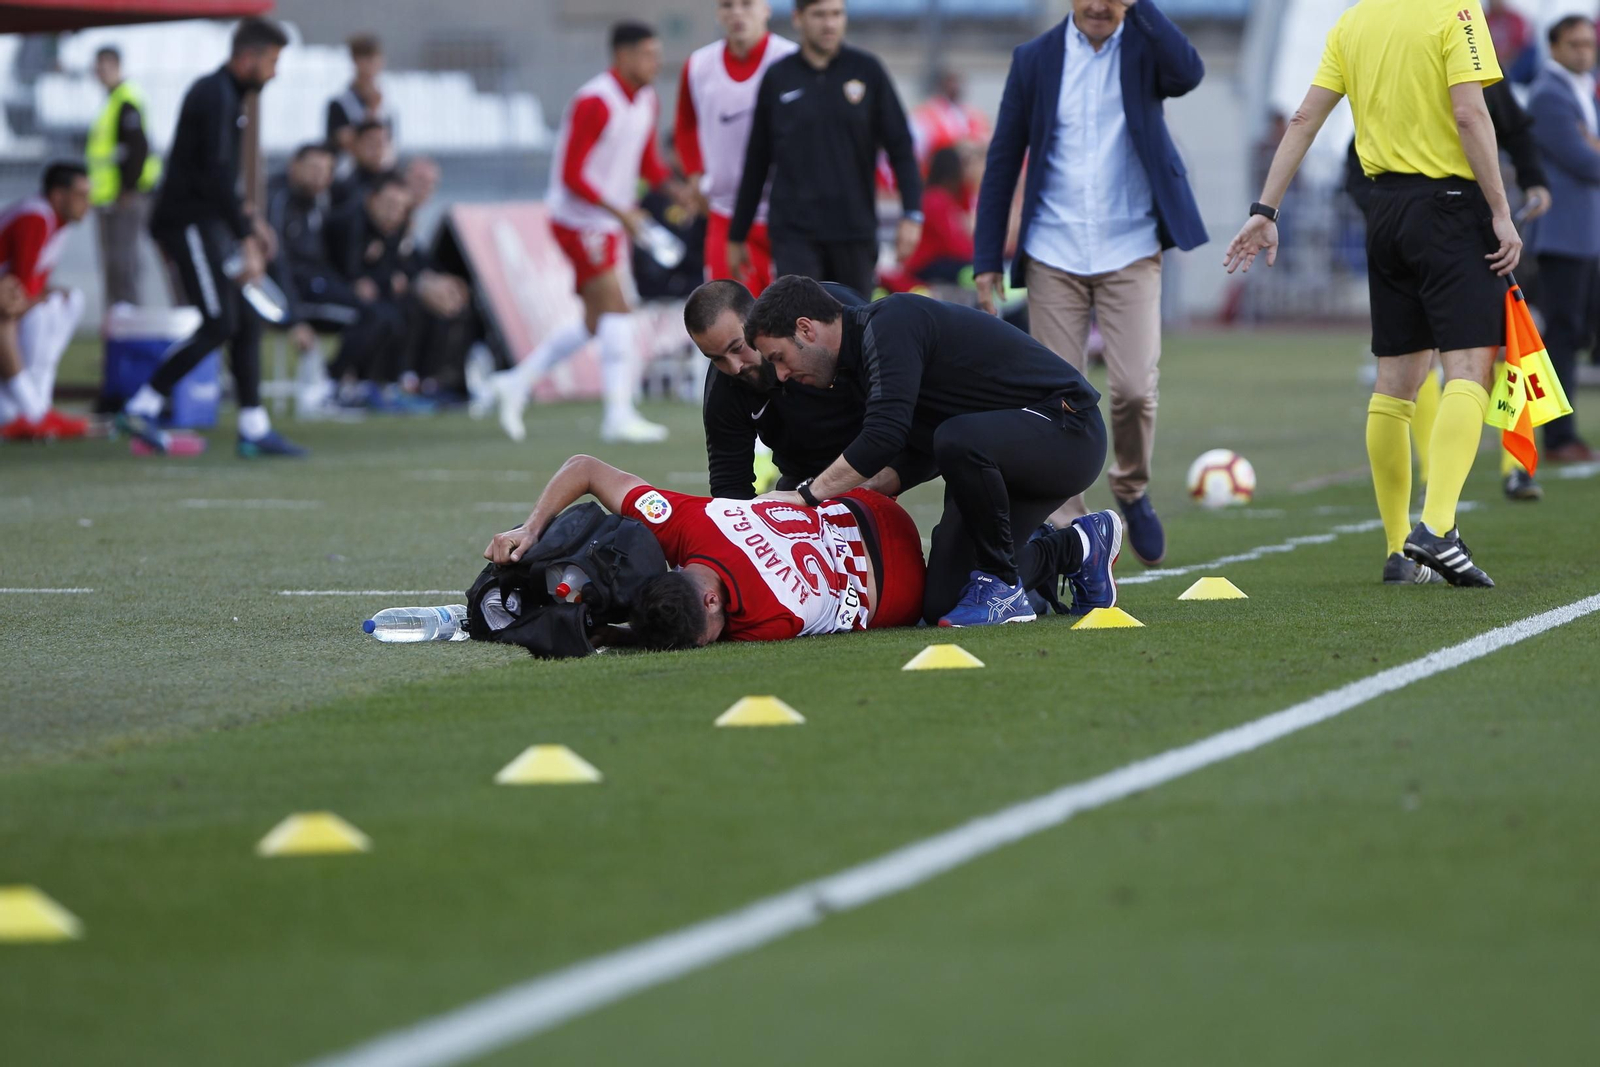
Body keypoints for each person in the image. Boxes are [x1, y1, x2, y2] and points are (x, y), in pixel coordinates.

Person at [1226, 0, 1520, 588]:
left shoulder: (1353, 21)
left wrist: (1265, 209)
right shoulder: (1456, 13)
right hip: (1450, 209)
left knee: (1395, 382)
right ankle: (1437, 530)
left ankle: (1397, 549)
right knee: (1468, 368)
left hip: (1383, 214)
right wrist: (1500, 210)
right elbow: (1470, 115)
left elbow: (1303, 119)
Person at [974, 0, 1207, 569]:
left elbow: (1189, 73)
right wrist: (986, 259)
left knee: (1132, 388)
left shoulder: (1146, 44)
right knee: (1057, 398)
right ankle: (1073, 529)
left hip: (1131, 246)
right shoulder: (1035, 59)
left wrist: (1143, 9)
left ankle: (1131, 486)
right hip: (1053, 251)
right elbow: (1004, 157)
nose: (1100, 5)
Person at [744, 275, 1120, 627]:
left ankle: (1003, 584)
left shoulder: (892, 322)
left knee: (956, 436)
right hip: (998, 457)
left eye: (778, 357)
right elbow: (919, 447)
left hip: (1069, 431)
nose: (780, 375)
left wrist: (807, 496)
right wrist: (872, 486)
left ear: (806, 329)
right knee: (943, 601)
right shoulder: (857, 364)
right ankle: (1079, 546)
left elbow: (885, 436)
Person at [1342, 75, 1552, 503]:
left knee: (1462, 359)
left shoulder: (1469, 66)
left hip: (1467, 227)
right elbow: (1356, 161)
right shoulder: (1422, 65)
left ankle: (1512, 468)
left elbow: (1510, 124)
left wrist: (1532, 179)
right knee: (1454, 361)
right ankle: (1437, 486)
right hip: (1460, 226)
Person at [482, 21, 680, 446]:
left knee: (595, 321)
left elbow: (648, 164)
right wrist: (620, 212)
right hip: (579, 220)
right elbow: (572, 175)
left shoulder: (645, 99)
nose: (656, 62)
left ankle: (517, 381)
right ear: (622, 56)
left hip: (609, 221)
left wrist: (684, 192)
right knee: (620, 312)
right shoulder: (595, 100)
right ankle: (618, 415)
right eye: (648, 53)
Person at [117, 18, 305, 458]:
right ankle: (141, 407)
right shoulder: (216, 94)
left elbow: (218, 177)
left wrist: (248, 220)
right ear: (248, 58)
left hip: (207, 222)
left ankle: (253, 428)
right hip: (187, 223)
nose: (275, 73)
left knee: (243, 320)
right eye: (272, 62)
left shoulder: (228, 95)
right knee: (218, 321)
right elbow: (216, 177)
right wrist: (245, 238)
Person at [728, 0, 923, 298]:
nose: (829, 23)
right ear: (798, 19)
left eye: (836, 14)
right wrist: (737, 234)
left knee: (853, 324)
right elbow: (757, 160)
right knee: (800, 322)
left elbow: (900, 147)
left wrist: (912, 213)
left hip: (854, 228)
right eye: (819, 15)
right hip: (794, 231)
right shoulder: (779, 77)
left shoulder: (867, 70)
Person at [684, 278, 872, 498]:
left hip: (878, 459)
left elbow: (898, 414)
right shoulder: (724, 386)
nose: (734, 367)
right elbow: (729, 485)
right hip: (802, 476)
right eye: (716, 358)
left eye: (737, 347)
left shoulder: (837, 315)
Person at [675, 0, 798, 296]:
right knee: (731, 319)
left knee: (789, 324)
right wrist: (694, 176)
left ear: (766, 9)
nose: (737, 13)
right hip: (725, 212)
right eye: (728, 5)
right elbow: (685, 125)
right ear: (718, 13)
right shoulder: (699, 66)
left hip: (785, 215)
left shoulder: (791, 61)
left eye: (747, 4)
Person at [1523, 15, 1600, 465]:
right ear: (1553, 47)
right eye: (1574, 44)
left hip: (1584, 235)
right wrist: (1589, 145)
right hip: (1562, 237)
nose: (1584, 52)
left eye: (1589, 44)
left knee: (1574, 334)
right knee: (1562, 338)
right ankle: (1557, 436)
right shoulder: (1549, 95)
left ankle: (1561, 432)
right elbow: (1581, 160)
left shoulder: (1580, 89)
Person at [0, 162, 91, 441]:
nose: (88, 204)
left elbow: (29, 285)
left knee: (69, 300)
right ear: (58, 195)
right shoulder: (36, 218)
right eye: (81, 195)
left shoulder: (57, 222)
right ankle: (32, 411)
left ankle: (35, 403)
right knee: (24, 313)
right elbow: (18, 292)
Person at [264, 142, 356, 416]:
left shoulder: (320, 202)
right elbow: (275, 262)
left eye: (327, 170)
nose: (320, 176)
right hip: (286, 295)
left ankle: (339, 385)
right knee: (366, 317)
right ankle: (323, 387)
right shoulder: (278, 199)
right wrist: (294, 318)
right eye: (314, 167)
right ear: (294, 165)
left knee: (381, 313)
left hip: (315, 284)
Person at [87, 46, 160, 308]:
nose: (100, 73)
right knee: (114, 267)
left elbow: (137, 148)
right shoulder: (113, 100)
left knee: (122, 266)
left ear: (117, 66)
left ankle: (128, 326)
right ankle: (118, 325)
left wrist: (127, 189)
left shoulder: (125, 100)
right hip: (109, 197)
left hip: (124, 198)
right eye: (98, 67)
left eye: (105, 66)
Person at [880, 146, 974, 292]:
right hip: (924, 266)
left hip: (935, 262)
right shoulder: (936, 200)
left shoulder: (944, 198)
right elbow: (953, 243)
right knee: (974, 269)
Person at [326, 35, 393, 159]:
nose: (372, 66)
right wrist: (371, 112)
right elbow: (342, 141)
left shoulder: (386, 104)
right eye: (368, 59)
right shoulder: (340, 103)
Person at [912, 68, 991, 172]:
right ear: (941, 85)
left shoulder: (971, 113)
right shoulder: (927, 113)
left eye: (957, 82)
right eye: (950, 82)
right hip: (940, 172)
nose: (955, 86)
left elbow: (984, 138)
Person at [330, 120, 391, 211]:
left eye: (381, 143)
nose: (378, 149)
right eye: (371, 143)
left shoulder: (393, 185)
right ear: (355, 146)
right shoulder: (341, 186)